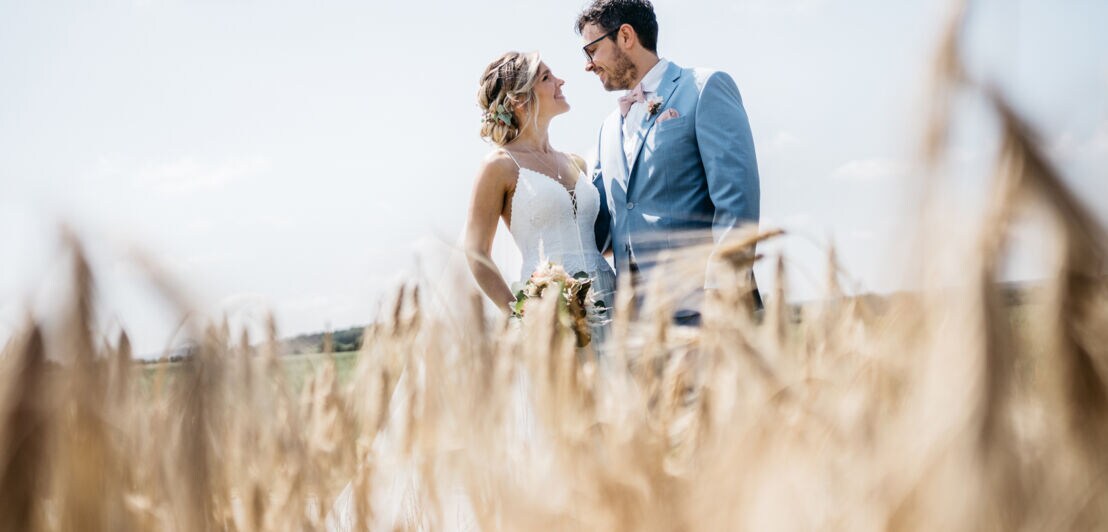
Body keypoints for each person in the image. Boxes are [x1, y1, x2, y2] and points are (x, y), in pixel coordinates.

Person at [577, 0, 762, 325]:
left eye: (592, 50)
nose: (588, 66)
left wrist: (721, 290)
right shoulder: (607, 128)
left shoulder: (704, 88)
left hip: (706, 309)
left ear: (625, 36)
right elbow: (602, 222)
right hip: (634, 322)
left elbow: (736, 200)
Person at [465, 51, 616, 342]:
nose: (560, 81)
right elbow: (476, 252)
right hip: (549, 313)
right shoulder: (500, 166)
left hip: (608, 298)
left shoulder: (576, 163)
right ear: (519, 100)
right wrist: (520, 317)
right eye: (547, 77)